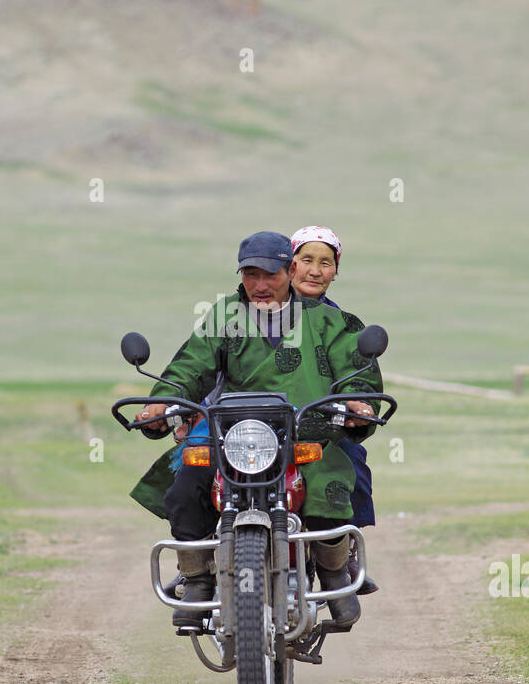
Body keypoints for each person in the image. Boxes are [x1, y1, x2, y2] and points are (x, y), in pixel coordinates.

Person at [130, 232, 380, 629]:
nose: (261, 285)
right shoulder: (224, 316)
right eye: (251, 274)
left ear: (290, 270)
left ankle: (334, 574)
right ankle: (196, 578)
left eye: (271, 274)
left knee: (331, 483)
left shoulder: (331, 321)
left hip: (307, 432)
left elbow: (354, 372)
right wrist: (163, 400)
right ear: (241, 274)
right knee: (185, 486)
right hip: (236, 434)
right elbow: (190, 367)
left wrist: (357, 402)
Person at [288, 225, 379, 594]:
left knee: (351, 460)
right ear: (290, 265)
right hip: (256, 425)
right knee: (196, 464)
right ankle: (199, 560)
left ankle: (342, 555)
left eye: (325, 263)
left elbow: (357, 375)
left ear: (336, 270)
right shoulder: (256, 312)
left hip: (319, 425)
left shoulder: (343, 324)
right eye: (307, 260)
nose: (315, 270)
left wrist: (358, 405)